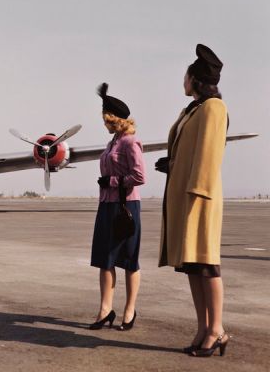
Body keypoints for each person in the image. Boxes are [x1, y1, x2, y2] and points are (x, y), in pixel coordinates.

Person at [156, 44, 230, 357]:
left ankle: (217, 330)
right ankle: (203, 328)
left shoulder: (214, 108)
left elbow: (209, 158)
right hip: (187, 198)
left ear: (196, 79)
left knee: (208, 267)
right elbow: (189, 153)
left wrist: (196, 194)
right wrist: (171, 164)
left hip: (200, 200)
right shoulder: (194, 109)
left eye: (186, 76)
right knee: (193, 268)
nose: (182, 81)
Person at [90, 83, 146, 331]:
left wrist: (111, 181)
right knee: (105, 259)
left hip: (126, 207)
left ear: (113, 119)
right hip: (106, 206)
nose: (103, 123)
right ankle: (105, 309)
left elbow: (139, 176)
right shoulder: (113, 142)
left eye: (105, 119)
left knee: (129, 260)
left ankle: (129, 310)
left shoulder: (130, 142)